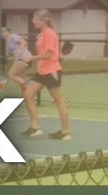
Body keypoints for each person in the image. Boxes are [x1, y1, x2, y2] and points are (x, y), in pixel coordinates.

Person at [20, 9, 71, 140]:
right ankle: (35, 128)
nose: (34, 22)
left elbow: (47, 55)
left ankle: (65, 132)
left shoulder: (48, 33)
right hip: (42, 71)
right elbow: (50, 52)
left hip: (51, 72)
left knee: (58, 101)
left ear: (44, 20)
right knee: (27, 95)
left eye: (36, 19)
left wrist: (31, 58)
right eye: (33, 19)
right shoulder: (42, 34)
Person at [0, 26, 31, 91]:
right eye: (0, 31)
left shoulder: (11, 36)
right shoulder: (8, 41)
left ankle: (29, 86)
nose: (1, 32)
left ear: (9, 32)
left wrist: (20, 50)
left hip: (22, 57)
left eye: (4, 31)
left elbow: (23, 41)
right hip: (25, 58)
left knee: (11, 75)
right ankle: (27, 96)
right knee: (22, 78)